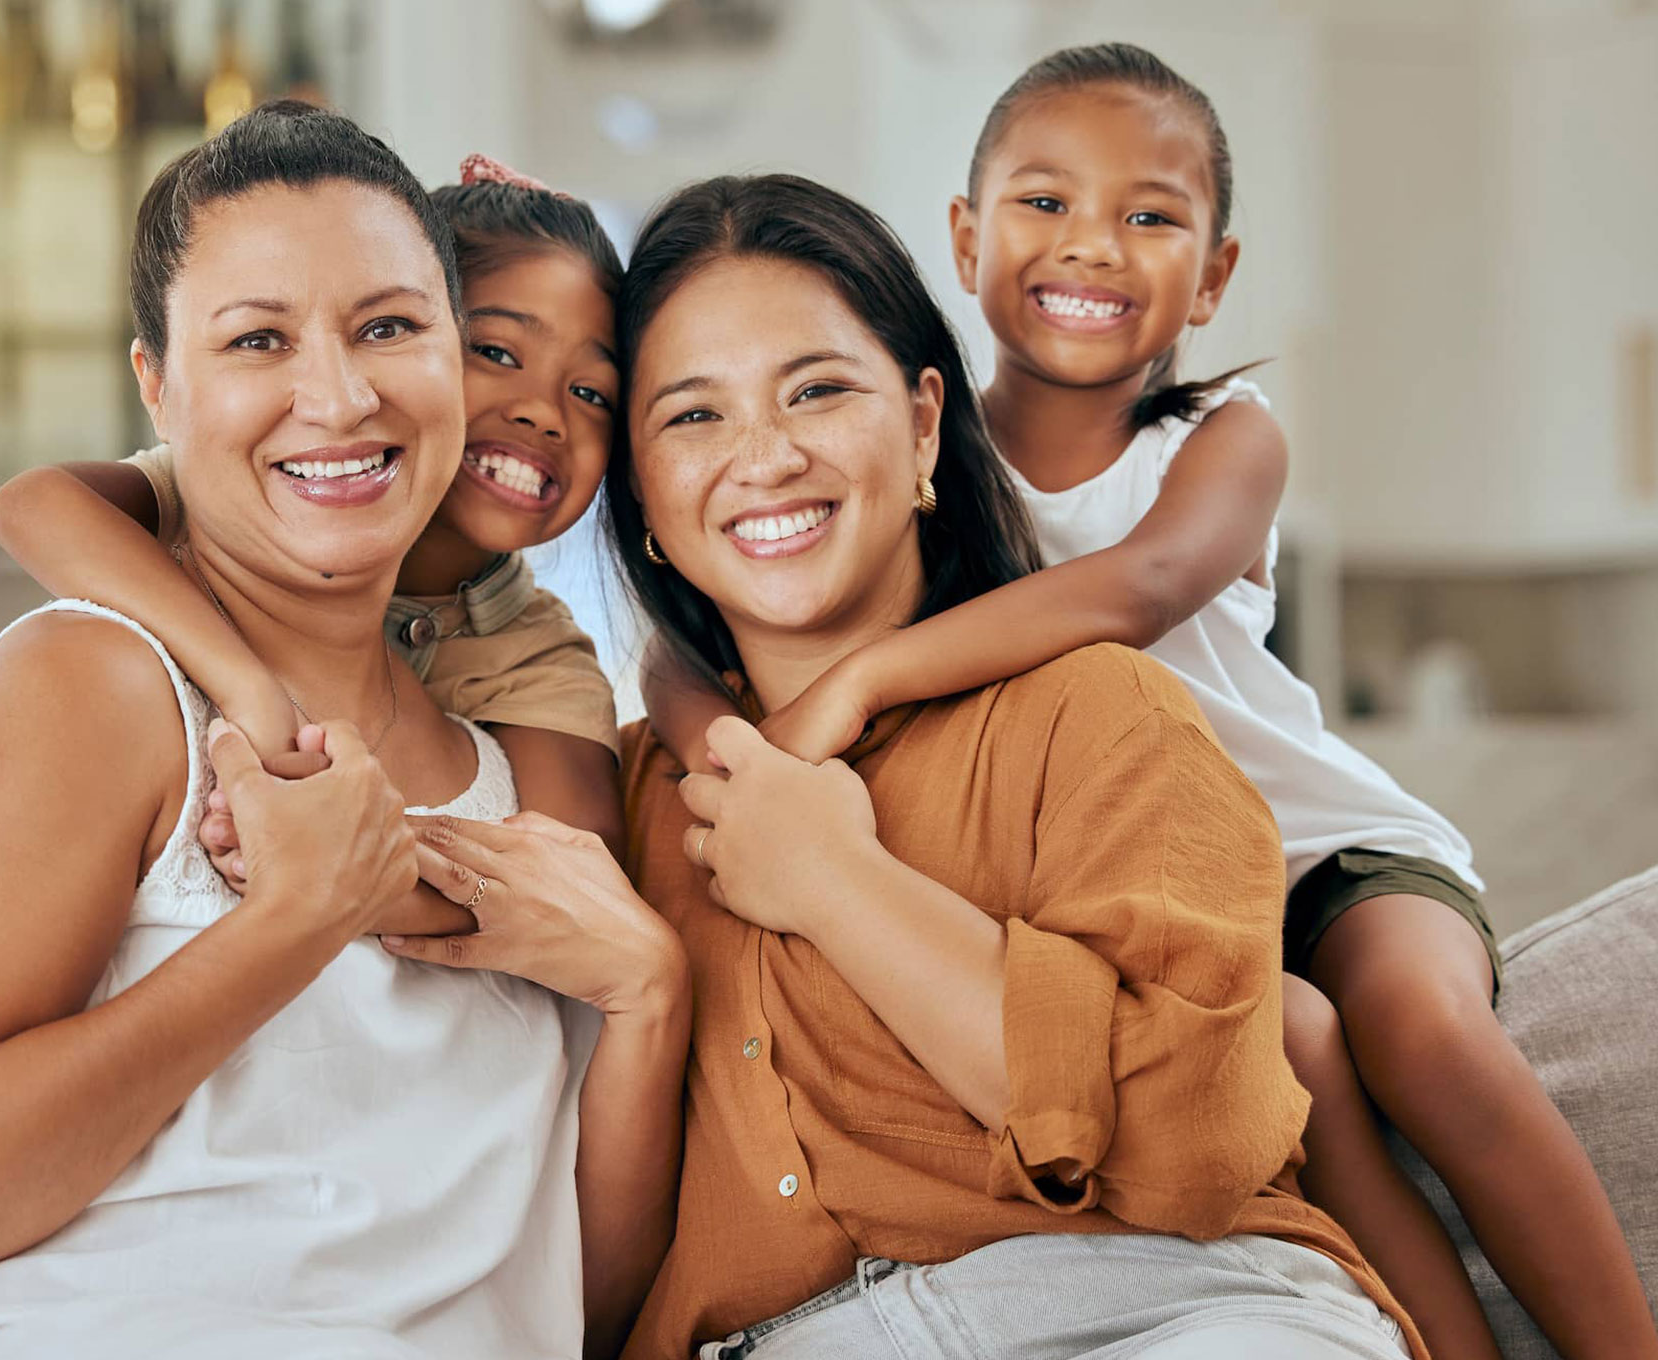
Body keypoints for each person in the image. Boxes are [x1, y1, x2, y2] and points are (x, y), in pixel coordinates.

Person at [641, 43, 1656, 1360]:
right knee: (1296, 1046)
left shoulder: (1218, 435)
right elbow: (669, 659)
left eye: (1151, 216)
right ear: (966, 238)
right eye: (1044, 201)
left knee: (1416, 1027)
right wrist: (736, 764)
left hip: (1318, 850)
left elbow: (1143, 586)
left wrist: (859, 687)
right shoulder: (925, 462)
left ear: (1216, 275)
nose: (1092, 244)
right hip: (1143, 882)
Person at [0, 153, 638, 1300]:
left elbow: (568, 878)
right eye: (499, 350)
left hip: (200, 811)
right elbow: (33, 505)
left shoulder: (527, 648)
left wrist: (340, 868)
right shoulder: (229, 478)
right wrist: (248, 690)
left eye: (594, 391)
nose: (540, 410)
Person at [608, 171, 1418, 1359]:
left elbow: (1195, 1149)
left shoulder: (1101, 710)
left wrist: (838, 880)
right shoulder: (616, 794)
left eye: (818, 390)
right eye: (693, 416)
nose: (765, 457)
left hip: (1174, 1304)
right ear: (636, 485)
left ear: (924, 423)